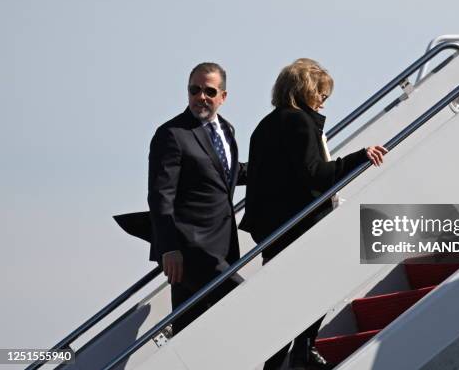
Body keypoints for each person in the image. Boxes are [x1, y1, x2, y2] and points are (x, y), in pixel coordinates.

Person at [239, 58, 387, 369]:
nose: (322, 101)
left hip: (273, 227)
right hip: (298, 225)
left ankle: (286, 357)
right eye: (320, 94)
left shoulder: (266, 125)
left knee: (286, 301)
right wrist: (359, 158)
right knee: (319, 286)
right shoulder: (298, 122)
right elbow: (315, 174)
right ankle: (302, 351)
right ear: (304, 90)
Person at [148, 62, 247, 335]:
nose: (201, 96)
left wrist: (276, 169)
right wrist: (168, 248)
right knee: (245, 303)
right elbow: (160, 196)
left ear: (223, 97)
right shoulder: (172, 134)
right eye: (195, 90)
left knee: (190, 327)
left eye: (209, 91)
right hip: (189, 251)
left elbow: (227, 172)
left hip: (222, 246)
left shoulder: (227, 131)